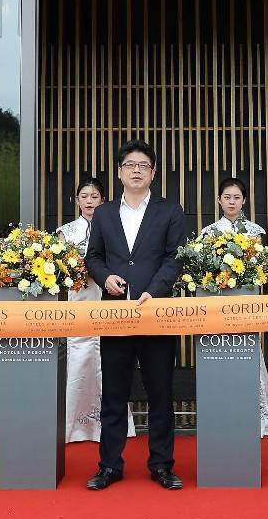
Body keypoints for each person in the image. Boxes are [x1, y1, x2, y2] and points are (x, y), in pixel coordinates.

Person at [85, 139, 188, 491]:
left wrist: (154, 291)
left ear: (153, 172)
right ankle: (109, 465)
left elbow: (175, 257)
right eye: (130, 164)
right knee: (113, 393)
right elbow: (93, 257)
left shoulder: (170, 211)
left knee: (160, 392)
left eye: (144, 165)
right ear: (119, 172)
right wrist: (105, 277)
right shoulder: (104, 213)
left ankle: (161, 464)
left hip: (156, 312)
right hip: (115, 315)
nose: (136, 170)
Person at [202, 176, 268, 438]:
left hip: (247, 304)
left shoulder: (255, 231)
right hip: (219, 306)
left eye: (237, 197)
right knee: (222, 356)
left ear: (244, 200)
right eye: (227, 197)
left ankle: (257, 418)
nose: (232, 202)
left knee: (249, 351)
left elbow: (260, 268)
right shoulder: (209, 232)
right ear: (219, 200)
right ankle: (224, 413)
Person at [55, 176, 134, 444]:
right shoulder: (65, 231)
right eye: (84, 197)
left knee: (109, 359)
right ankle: (74, 425)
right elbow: (60, 270)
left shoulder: (115, 226)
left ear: (103, 200)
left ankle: (111, 425)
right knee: (79, 355)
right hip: (80, 302)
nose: (89, 201)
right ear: (77, 201)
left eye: (95, 197)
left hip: (108, 297)